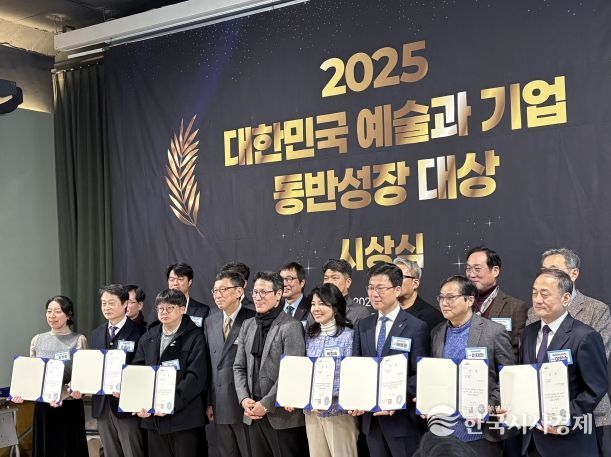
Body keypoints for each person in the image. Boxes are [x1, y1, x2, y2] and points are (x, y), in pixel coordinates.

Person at [526, 248, 611, 454]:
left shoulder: (595, 312)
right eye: (544, 270)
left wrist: (564, 415)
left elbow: (596, 372)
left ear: (573, 274)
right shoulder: (531, 323)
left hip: (581, 417)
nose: (538, 299)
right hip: (537, 423)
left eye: (554, 270)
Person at [430, 275, 514, 455]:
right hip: (444, 433)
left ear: (469, 300)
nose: (444, 303)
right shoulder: (437, 332)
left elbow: (509, 378)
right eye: (441, 297)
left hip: (481, 433)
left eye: (450, 297)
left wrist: (489, 405)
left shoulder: (493, 332)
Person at [352, 262, 430, 457]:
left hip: (401, 421)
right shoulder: (363, 325)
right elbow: (357, 368)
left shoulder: (416, 327)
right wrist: (355, 397)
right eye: (371, 288)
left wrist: (395, 397)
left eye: (381, 288)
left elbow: (421, 374)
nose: (374, 294)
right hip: (372, 422)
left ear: (397, 290)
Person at [233, 271, 308, 457]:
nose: (258, 297)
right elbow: (239, 367)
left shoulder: (291, 326)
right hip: (252, 412)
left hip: (281, 416)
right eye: (255, 292)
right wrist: (244, 399)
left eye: (264, 292)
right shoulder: (248, 325)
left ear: (278, 294)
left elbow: (292, 372)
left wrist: (265, 404)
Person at [132, 289, 209, 457]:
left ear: (182, 309)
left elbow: (195, 377)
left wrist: (170, 403)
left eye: (169, 308)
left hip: (184, 417)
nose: (164, 312)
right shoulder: (149, 336)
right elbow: (138, 372)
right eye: (160, 308)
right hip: (153, 418)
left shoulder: (195, 337)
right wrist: (140, 403)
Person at [12, 295, 88, 457]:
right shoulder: (37, 340)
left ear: (68, 314)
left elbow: (82, 374)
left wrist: (70, 392)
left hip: (68, 404)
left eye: (57, 311)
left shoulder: (78, 340)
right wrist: (22, 393)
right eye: (49, 311)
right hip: (44, 406)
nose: (52, 316)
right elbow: (32, 375)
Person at [300, 283, 359, 456]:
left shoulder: (349, 336)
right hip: (312, 413)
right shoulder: (309, 336)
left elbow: (353, 376)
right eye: (313, 304)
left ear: (335, 307)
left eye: (322, 304)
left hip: (338, 413)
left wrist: (327, 398)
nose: (316, 309)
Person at [88, 284, 145, 457]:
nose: (106, 307)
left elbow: (141, 368)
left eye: (111, 303)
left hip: (127, 405)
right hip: (102, 405)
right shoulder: (96, 333)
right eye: (103, 303)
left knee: (132, 452)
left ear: (125, 303)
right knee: (110, 452)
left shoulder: (140, 332)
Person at [205, 270, 255, 457]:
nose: (218, 295)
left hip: (245, 401)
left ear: (239, 291)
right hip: (219, 402)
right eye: (215, 291)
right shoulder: (210, 321)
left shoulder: (252, 318)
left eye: (223, 290)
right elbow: (209, 365)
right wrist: (209, 402)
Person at [465, 246, 527, 358]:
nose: (471, 275)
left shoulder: (515, 307)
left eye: (477, 269)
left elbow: (516, 352)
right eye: (468, 269)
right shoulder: (460, 304)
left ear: (495, 271)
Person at [392, 257, 444, 330]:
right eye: (392, 277)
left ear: (415, 283)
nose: (394, 281)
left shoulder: (433, 317)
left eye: (400, 277)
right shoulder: (385, 312)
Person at [323, 258, 373, 325]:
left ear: (348, 282)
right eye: (326, 278)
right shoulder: (317, 311)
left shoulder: (360, 312)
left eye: (334, 278)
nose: (329, 282)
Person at [166, 262, 210, 327]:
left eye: (180, 279)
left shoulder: (202, 310)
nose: (175, 283)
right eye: (172, 279)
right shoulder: (160, 308)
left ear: (189, 282)